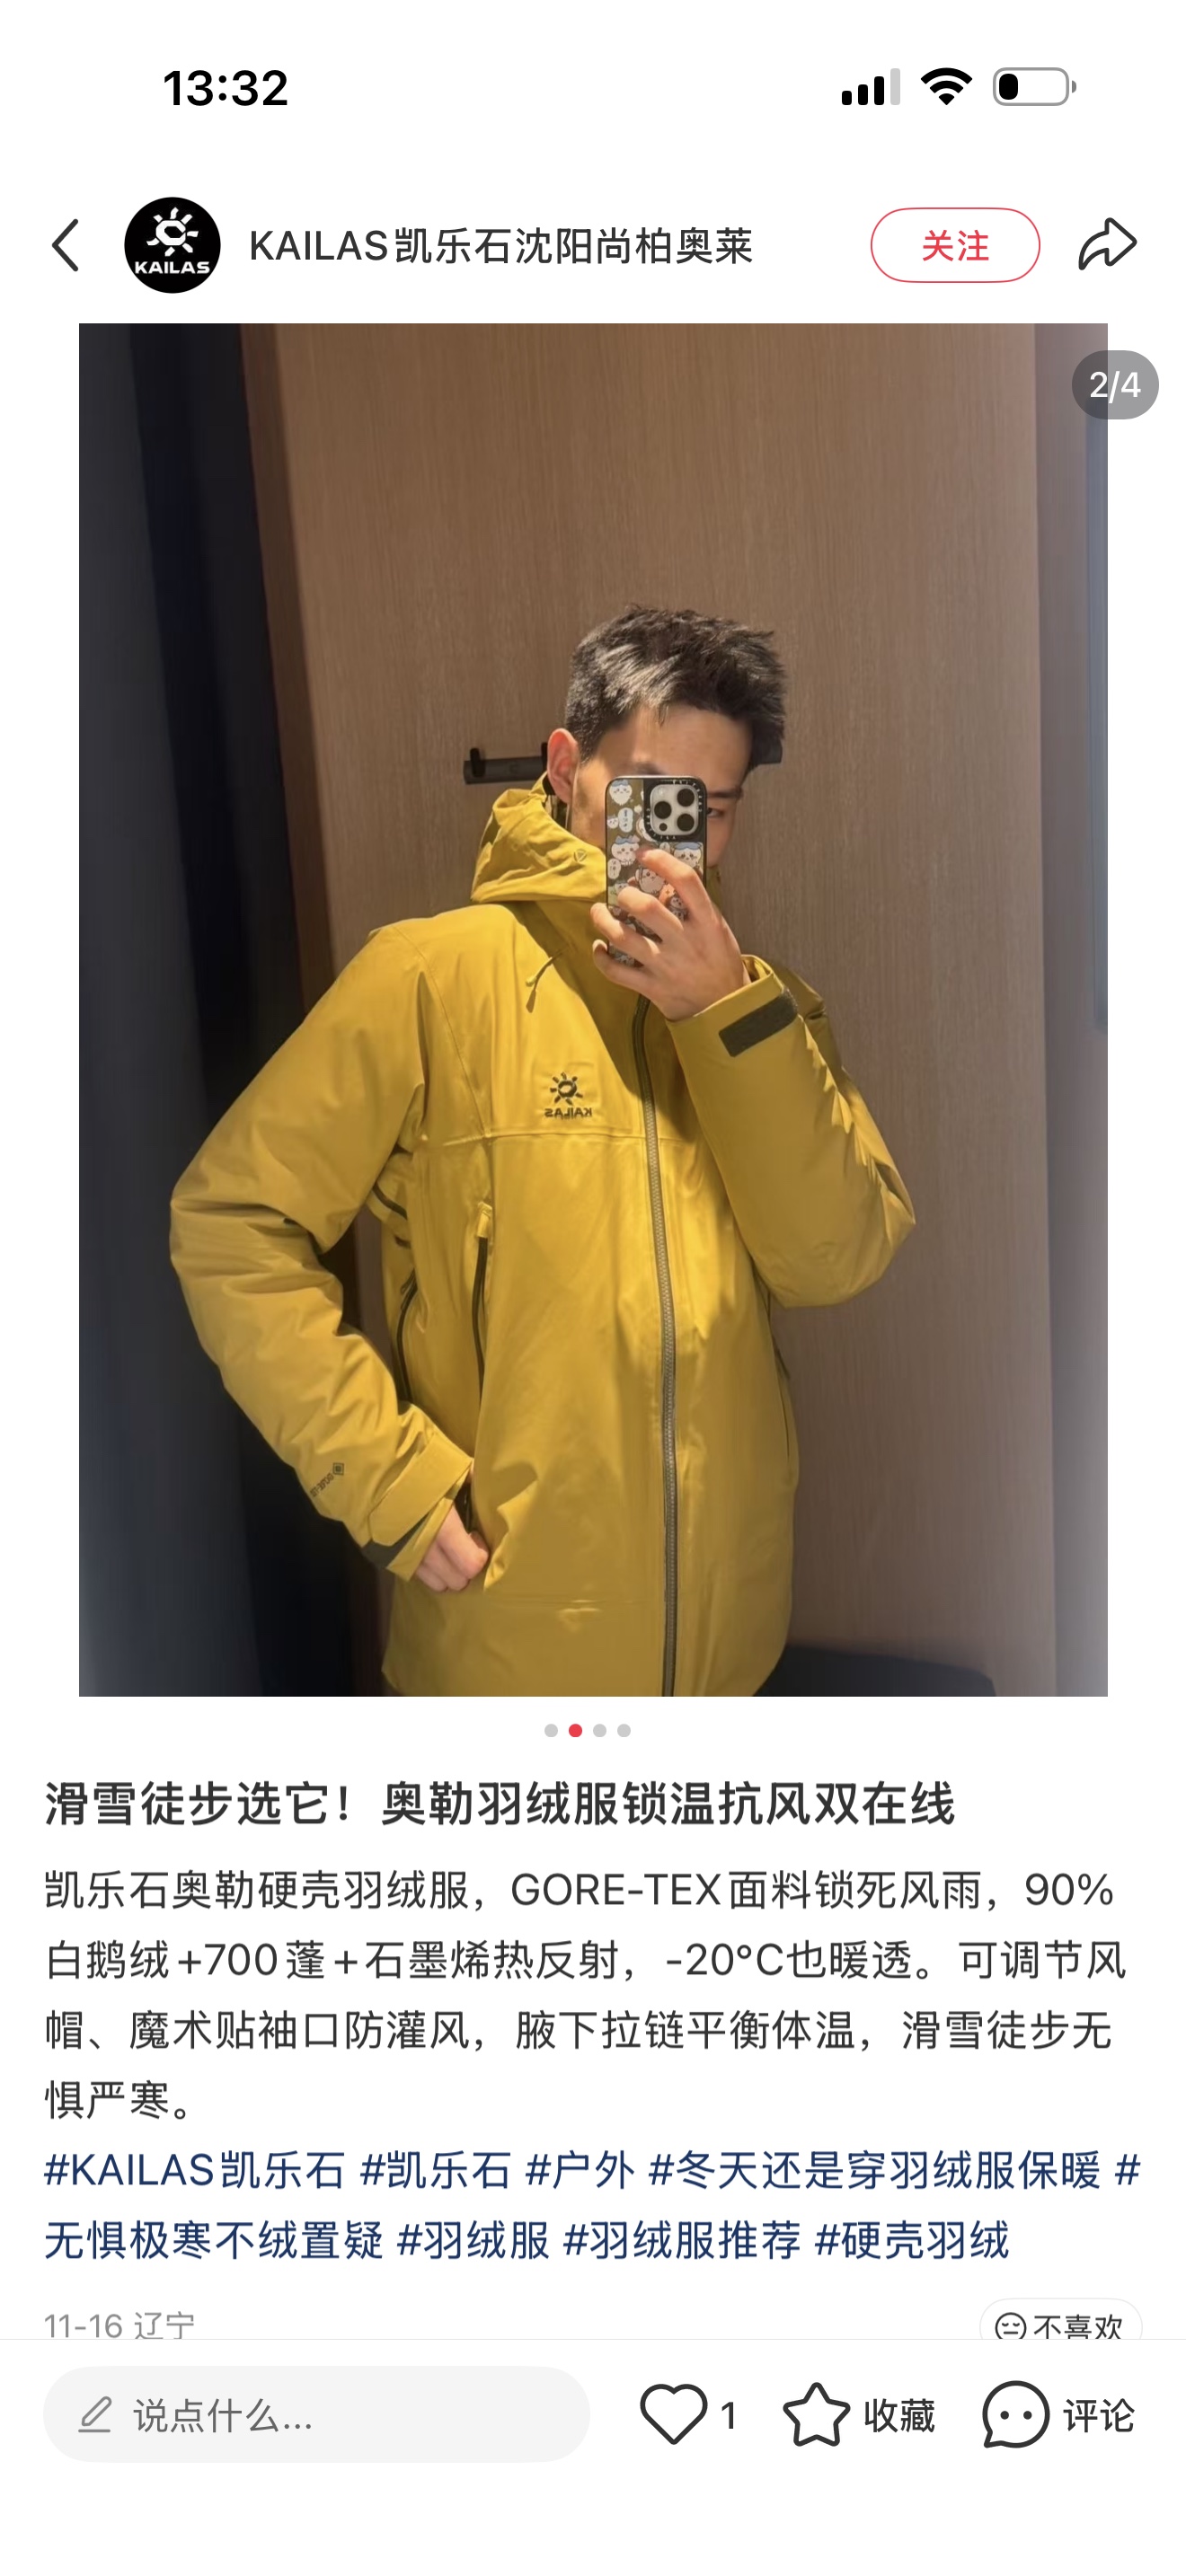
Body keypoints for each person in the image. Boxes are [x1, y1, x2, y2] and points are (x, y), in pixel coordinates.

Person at [171, 605, 914, 1696]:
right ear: (566, 768)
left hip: (728, 1642)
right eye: (649, 792)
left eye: (710, 809)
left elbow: (834, 1258)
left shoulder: (768, 1013)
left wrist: (721, 1013)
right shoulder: (429, 981)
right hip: (503, 1651)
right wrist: (385, 1478)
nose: (674, 837)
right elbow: (231, 1225)